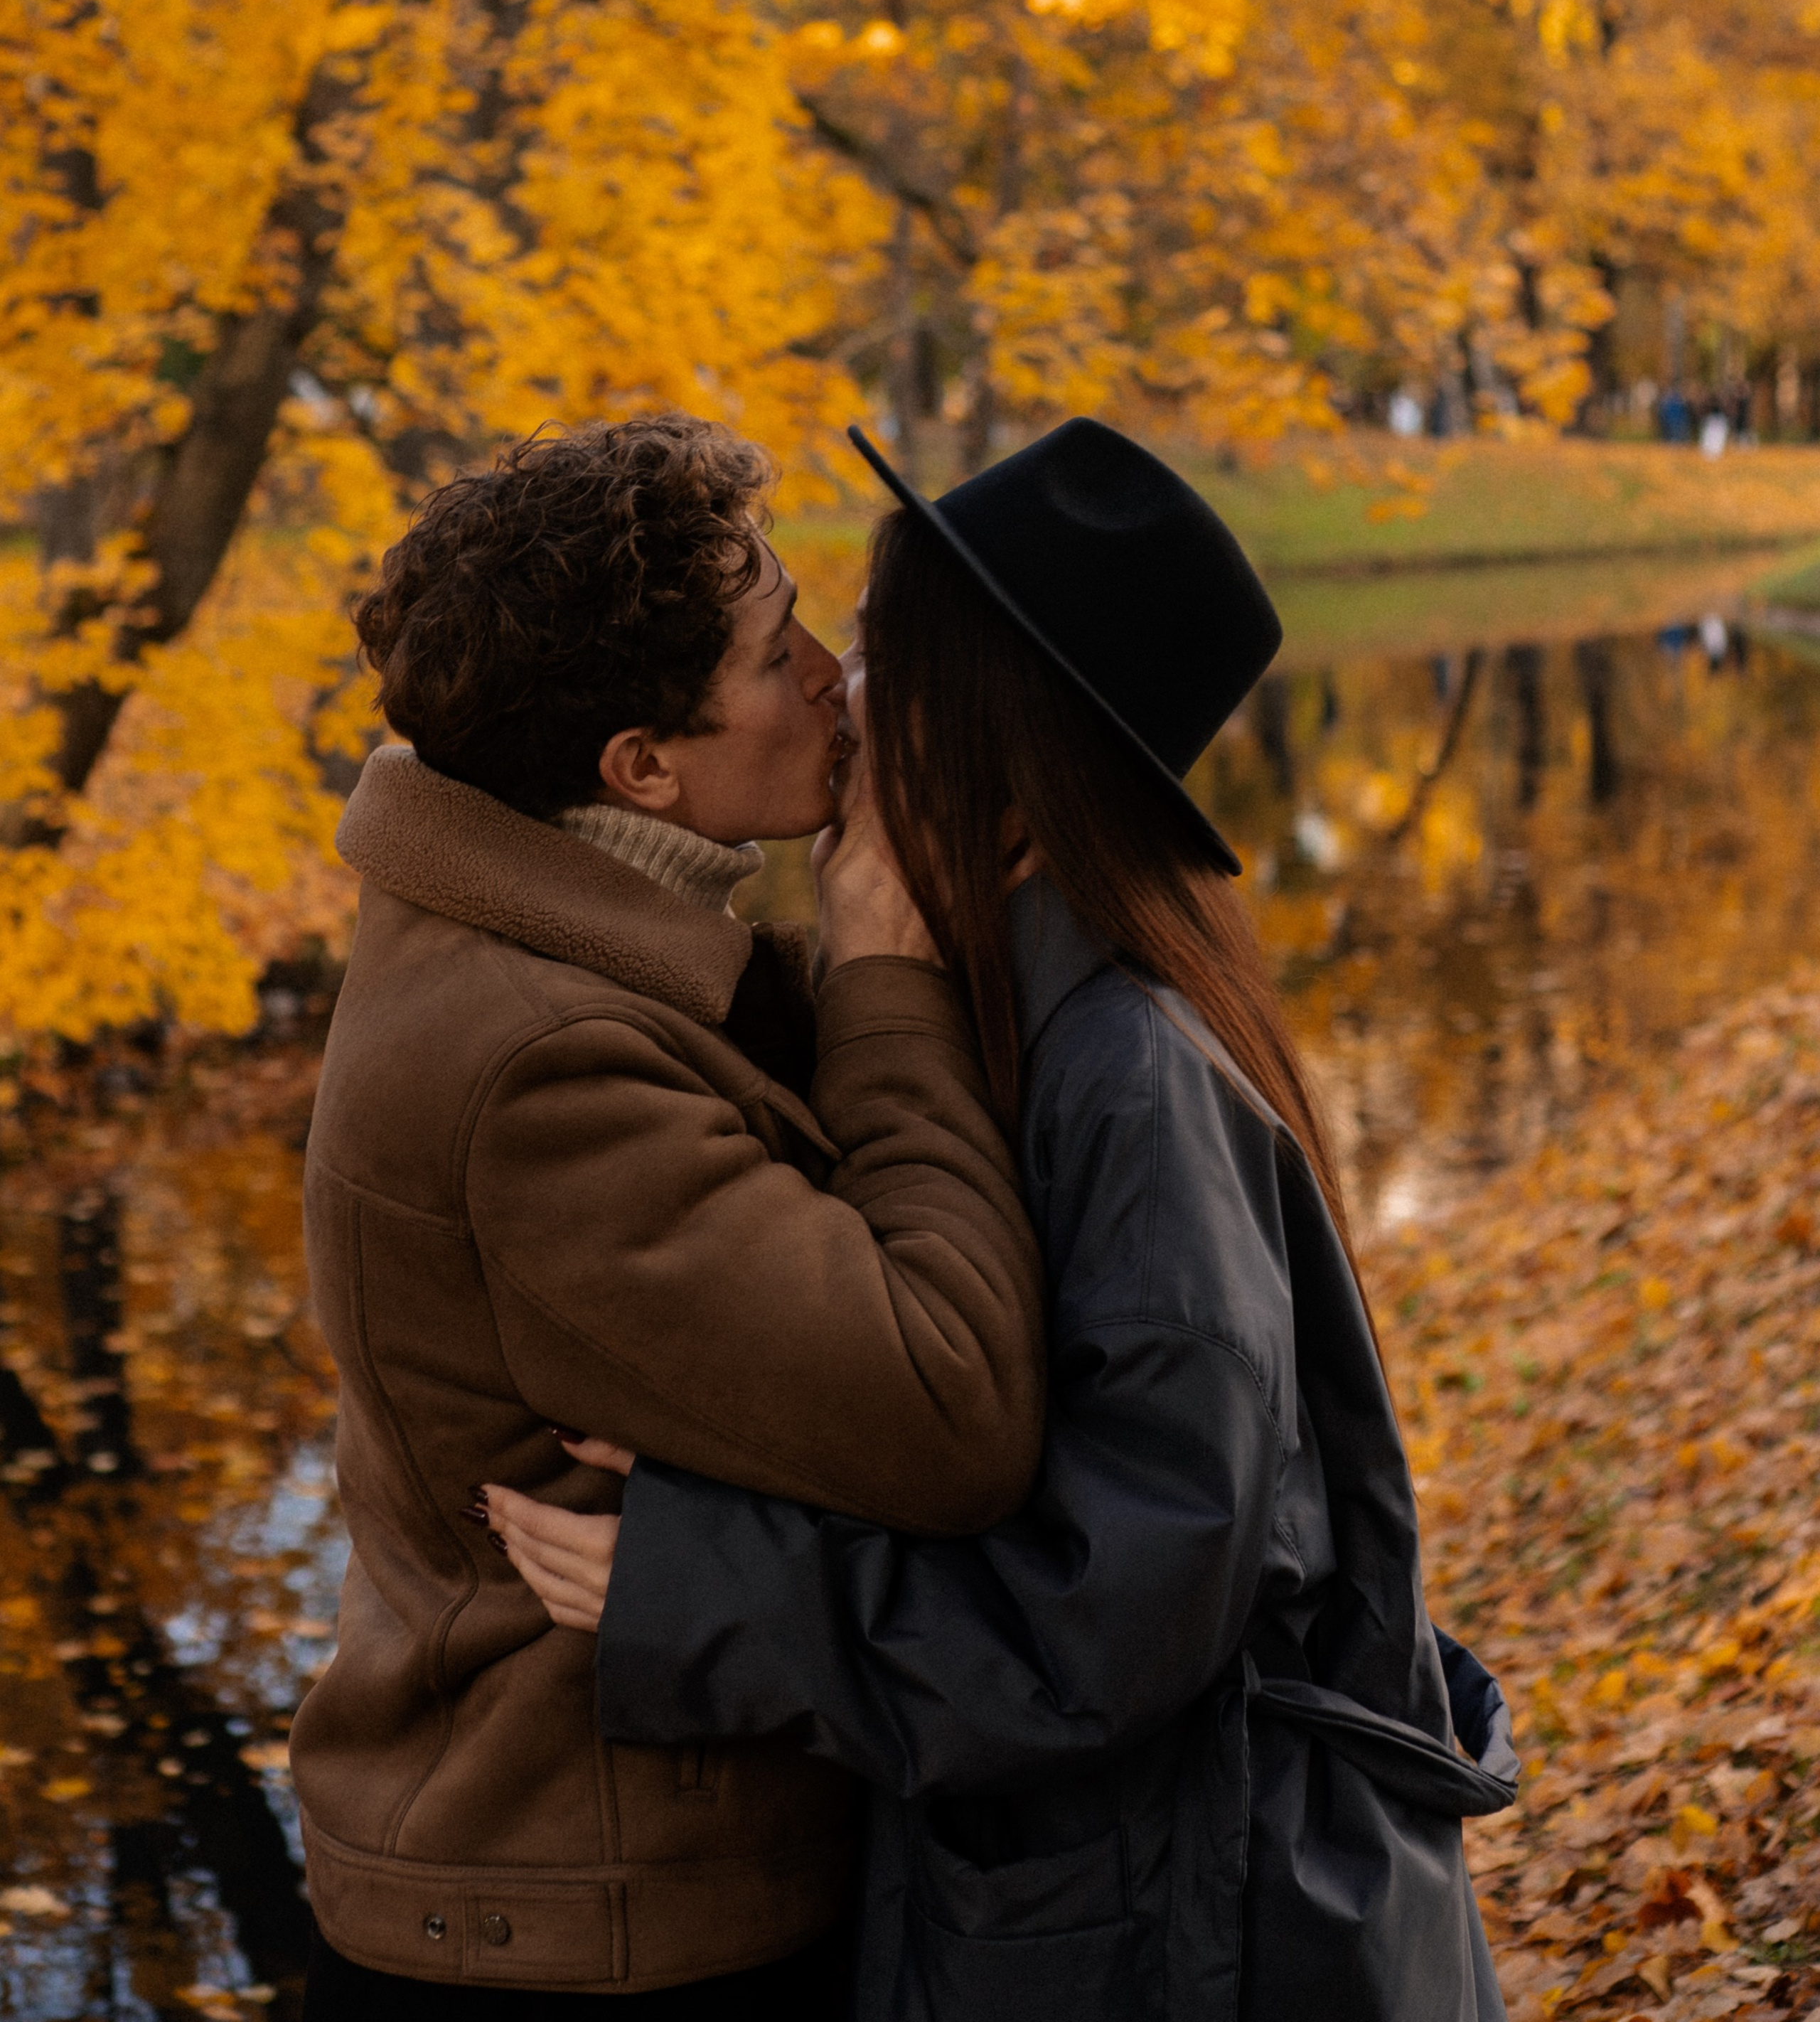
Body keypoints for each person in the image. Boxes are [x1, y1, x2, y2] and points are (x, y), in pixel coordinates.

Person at [484, 418, 1516, 2021]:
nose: (834, 683)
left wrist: (706, 1590)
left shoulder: (1123, 1077)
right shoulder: (1014, 1019)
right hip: (1121, 1902)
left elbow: (1114, 1621)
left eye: (883, 650)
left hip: (1200, 1939)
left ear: (985, 723)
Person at [290, 416, 1045, 2016]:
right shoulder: (541, 1065)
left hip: (615, 1874)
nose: (837, 677)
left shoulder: (552, 935)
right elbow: (945, 1403)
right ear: (640, 766)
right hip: (588, 1923)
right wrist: (890, 972)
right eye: (781, 657)